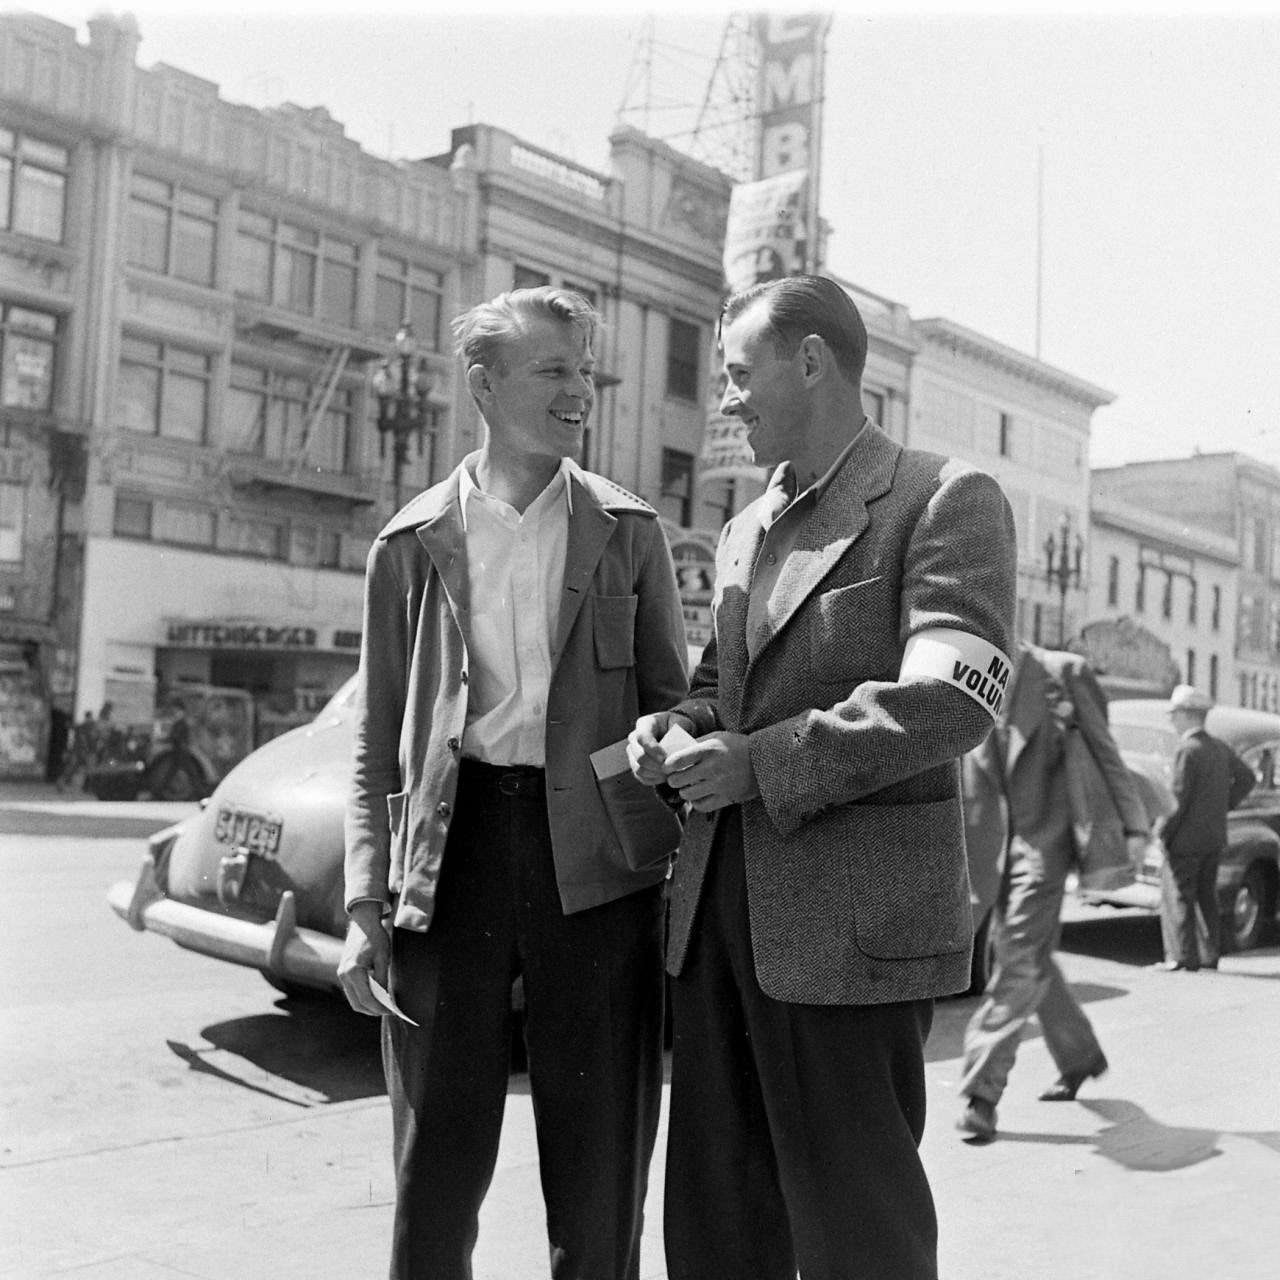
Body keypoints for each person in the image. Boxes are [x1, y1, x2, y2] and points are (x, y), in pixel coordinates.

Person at [627, 275, 1017, 1280]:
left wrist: (752, 764)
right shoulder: (744, 528)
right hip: (717, 925)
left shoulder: (943, 499)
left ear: (809, 361)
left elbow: (949, 701)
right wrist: (673, 728)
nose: (726, 400)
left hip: (850, 939)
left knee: (859, 1237)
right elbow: (725, 684)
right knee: (715, 1228)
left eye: (737, 373)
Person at [339, 286, 688, 1280]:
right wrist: (367, 903)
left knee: (600, 1159)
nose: (579, 390)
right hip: (450, 865)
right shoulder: (407, 545)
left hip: (599, 865)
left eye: (584, 370)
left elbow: (673, 700)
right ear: (484, 385)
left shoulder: (628, 531)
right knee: (436, 1162)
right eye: (553, 370)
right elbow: (374, 744)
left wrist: (667, 759)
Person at [956, 644, 1152, 1143]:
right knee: (1027, 953)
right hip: (990, 844)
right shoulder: (968, 666)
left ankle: (982, 1093)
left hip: (1046, 843)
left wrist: (1132, 825)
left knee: (1018, 956)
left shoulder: (1064, 674)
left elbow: (1104, 749)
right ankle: (1080, 1055)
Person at [1152, 683, 1254, 972]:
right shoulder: (1219, 748)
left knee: (1178, 896)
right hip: (1213, 837)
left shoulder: (1188, 750)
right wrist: (1224, 805)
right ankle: (1210, 956)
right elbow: (1247, 778)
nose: (1172, 720)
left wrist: (1161, 832)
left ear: (1187, 715)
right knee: (1207, 896)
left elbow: (1176, 800)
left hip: (1184, 840)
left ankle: (1180, 957)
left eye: (1174, 714)